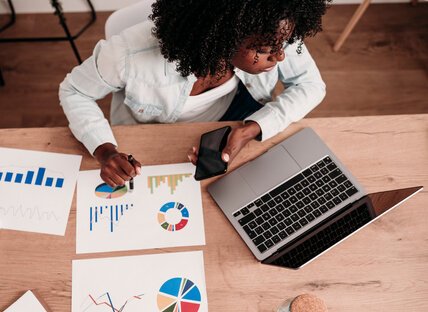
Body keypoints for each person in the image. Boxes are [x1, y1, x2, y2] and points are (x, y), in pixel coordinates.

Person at [59, 0, 330, 187]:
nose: (281, 55)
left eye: (283, 43)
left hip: (241, 117)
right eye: (265, 49)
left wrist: (251, 130)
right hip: (153, 143)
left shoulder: (273, 23)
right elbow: (74, 91)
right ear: (225, 35)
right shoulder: (127, 55)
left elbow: (311, 86)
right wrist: (104, 150)